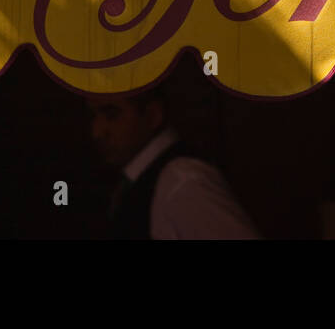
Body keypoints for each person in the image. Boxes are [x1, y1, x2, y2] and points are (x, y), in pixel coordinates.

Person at [88, 87, 259, 239]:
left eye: (112, 115)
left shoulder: (183, 182)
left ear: (152, 115)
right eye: (93, 116)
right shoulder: (151, 181)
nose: (97, 131)